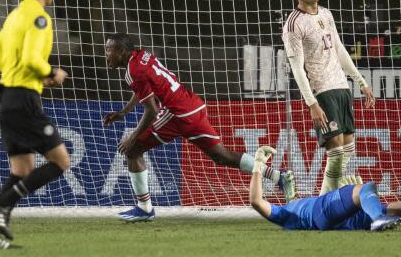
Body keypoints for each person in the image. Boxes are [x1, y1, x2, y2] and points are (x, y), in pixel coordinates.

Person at [103, 32, 296, 222]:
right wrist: (123, 112)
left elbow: (152, 110)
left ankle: (144, 208)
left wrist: (133, 136)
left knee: (133, 149)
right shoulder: (143, 56)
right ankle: (280, 177)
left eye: (108, 50)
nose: (105, 55)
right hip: (192, 105)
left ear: (120, 51)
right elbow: (144, 89)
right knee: (221, 155)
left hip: (176, 113)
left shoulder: (133, 71)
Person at [0, 0, 71, 250]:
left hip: (6, 99)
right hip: (23, 99)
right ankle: (0, 202)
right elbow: (32, 60)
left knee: (22, 169)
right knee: (60, 161)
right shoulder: (40, 18)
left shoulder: (14, 16)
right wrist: (52, 73)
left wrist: (29, 73)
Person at [282, 0, 376, 195]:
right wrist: (312, 103)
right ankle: (324, 204)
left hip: (342, 87)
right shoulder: (294, 24)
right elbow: (297, 68)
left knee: (347, 149)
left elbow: (340, 49)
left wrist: (360, 81)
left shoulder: (326, 14)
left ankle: (325, 201)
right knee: (335, 154)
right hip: (322, 91)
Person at [249, 146, 401, 232]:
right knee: (365, 188)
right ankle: (377, 219)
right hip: (323, 212)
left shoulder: (293, 206)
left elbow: (292, 195)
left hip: (345, 220)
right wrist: (258, 166)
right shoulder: (284, 214)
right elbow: (257, 202)